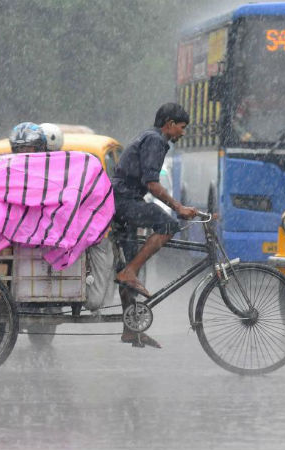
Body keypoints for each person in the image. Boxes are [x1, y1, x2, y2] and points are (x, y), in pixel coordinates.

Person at [111, 103, 197, 348]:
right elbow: (152, 184)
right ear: (169, 124)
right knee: (169, 225)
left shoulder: (150, 137)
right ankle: (130, 272)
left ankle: (130, 329)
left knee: (129, 267)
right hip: (125, 201)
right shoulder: (156, 141)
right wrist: (178, 208)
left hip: (121, 201)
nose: (182, 133)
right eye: (181, 127)